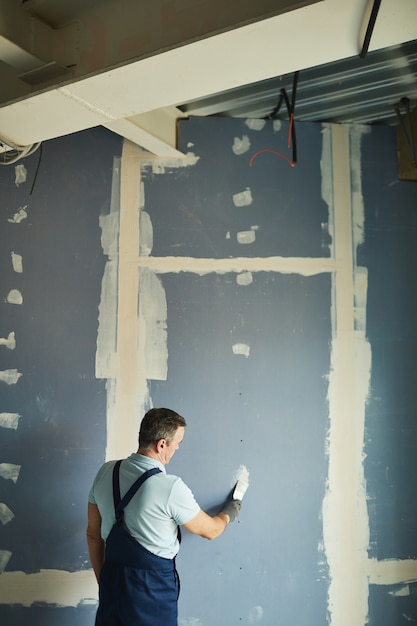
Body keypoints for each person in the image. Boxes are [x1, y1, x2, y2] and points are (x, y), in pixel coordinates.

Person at [87, 407, 242, 626]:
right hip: (150, 590)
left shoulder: (106, 472)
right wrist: (229, 512)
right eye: (177, 442)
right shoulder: (169, 487)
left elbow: (93, 535)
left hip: (111, 582)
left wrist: (104, 581)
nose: (177, 447)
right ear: (161, 444)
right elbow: (211, 531)